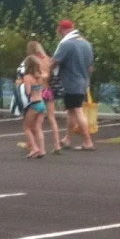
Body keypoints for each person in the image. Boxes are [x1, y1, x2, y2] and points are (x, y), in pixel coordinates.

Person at [52, 19, 95, 151]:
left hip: (71, 82)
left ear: (62, 30)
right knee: (71, 110)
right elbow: (90, 67)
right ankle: (68, 139)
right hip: (82, 81)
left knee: (77, 110)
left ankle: (88, 141)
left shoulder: (66, 45)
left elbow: (54, 62)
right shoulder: (86, 44)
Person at [27, 39, 64, 154]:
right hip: (49, 90)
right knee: (52, 118)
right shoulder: (48, 59)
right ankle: (57, 144)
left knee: (35, 121)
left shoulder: (33, 61)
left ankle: (33, 144)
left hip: (38, 92)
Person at [20, 54, 48, 159]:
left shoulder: (27, 77)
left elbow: (28, 92)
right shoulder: (41, 76)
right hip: (42, 103)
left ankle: (34, 148)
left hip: (34, 103)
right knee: (38, 128)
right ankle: (42, 150)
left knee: (27, 127)